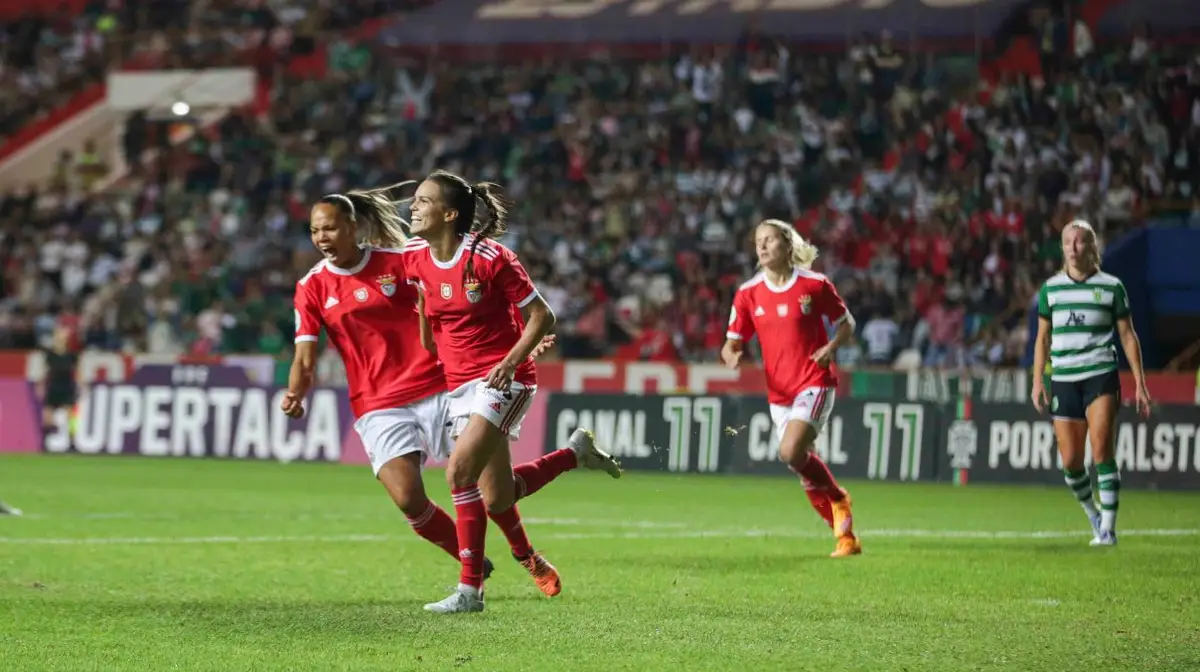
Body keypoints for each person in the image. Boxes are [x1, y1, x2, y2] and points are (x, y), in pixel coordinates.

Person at [282, 187, 621, 591]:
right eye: (314, 230)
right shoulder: (312, 287)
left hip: (441, 384)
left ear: (354, 227)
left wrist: (519, 339)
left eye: (330, 228)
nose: (321, 238)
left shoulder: (402, 260)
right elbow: (305, 357)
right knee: (410, 499)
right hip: (378, 404)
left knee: (494, 492)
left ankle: (516, 557)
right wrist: (296, 393)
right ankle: (474, 560)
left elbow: (466, 297)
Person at [404, 170, 610, 614]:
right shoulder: (415, 260)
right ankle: (575, 455)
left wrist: (514, 357)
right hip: (461, 385)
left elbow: (543, 315)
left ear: (449, 213)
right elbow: (429, 340)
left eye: (423, 201)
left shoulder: (490, 257)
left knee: (458, 473)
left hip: (505, 379)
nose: (413, 208)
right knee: (498, 495)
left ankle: (470, 591)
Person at [720, 219, 863, 559]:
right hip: (779, 394)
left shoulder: (814, 285)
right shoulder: (747, 293)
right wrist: (731, 355)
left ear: (787, 243)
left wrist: (830, 349)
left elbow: (847, 324)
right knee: (800, 464)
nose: (763, 247)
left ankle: (839, 497)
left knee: (788, 452)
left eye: (770, 240)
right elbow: (731, 342)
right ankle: (846, 537)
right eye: (758, 242)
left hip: (814, 381)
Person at [1031, 219, 1151, 547]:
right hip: (1064, 379)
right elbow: (1042, 339)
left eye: (1080, 241)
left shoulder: (1112, 286)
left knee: (1101, 449)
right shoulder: (1051, 289)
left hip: (1100, 374)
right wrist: (1038, 381)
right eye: (1068, 241)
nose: (1073, 247)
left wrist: (1140, 383)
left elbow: (1128, 336)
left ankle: (1109, 530)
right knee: (1070, 462)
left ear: (1091, 247)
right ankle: (1093, 513)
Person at [39, 326, 78, 447]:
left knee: (71, 415)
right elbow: (45, 371)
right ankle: (45, 441)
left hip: (67, 386)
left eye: (63, 336)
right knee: (47, 416)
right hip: (53, 386)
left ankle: (72, 442)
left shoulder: (71, 356)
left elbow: (76, 372)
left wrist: (82, 385)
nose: (60, 339)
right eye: (58, 336)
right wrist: (41, 385)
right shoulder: (49, 355)